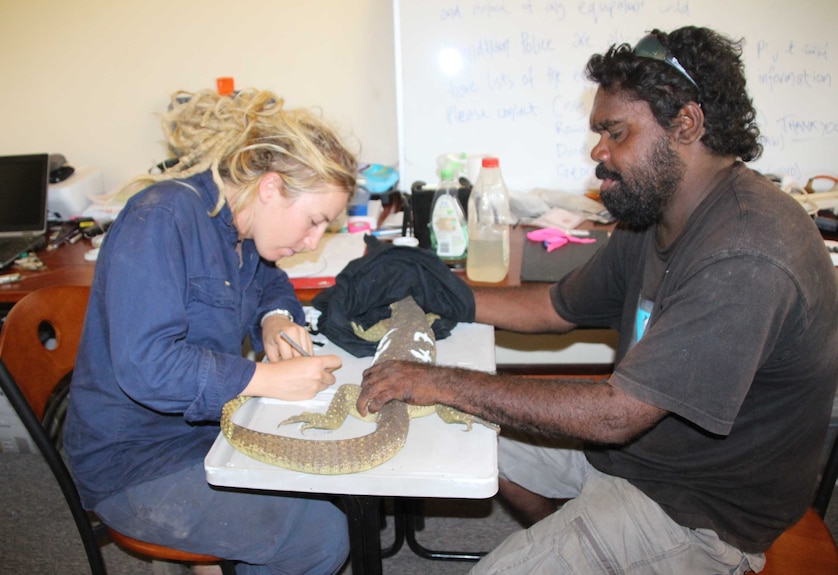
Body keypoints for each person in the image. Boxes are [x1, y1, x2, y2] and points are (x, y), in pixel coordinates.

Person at [358, 26, 838, 574]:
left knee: (465, 438)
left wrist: (438, 380)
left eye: (615, 132)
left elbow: (615, 416)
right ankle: (579, 543)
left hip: (701, 511)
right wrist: (435, 289)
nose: (598, 151)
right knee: (457, 436)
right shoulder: (654, 214)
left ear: (686, 123)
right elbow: (553, 309)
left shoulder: (747, 253)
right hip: (637, 457)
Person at [64, 88, 358, 574]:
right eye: (313, 222)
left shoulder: (238, 226)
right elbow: (147, 367)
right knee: (321, 537)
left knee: (332, 476)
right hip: (134, 465)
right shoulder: (160, 218)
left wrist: (276, 319)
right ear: (269, 188)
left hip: (203, 433)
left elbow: (270, 283)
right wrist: (263, 380)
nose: (310, 242)